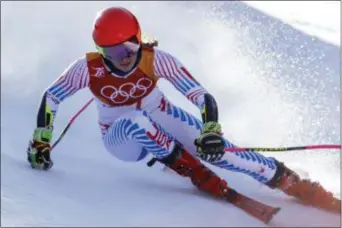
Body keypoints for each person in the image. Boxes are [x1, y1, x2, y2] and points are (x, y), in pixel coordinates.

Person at [27, 6, 339, 212]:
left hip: (160, 114)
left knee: (221, 151)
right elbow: (52, 96)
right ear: (100, 51)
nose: (122, 58)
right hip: (120, 137)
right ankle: (193, 171)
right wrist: (42, 139)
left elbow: (202, 96)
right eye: (112, 52)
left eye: (129, 47)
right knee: (134, 119)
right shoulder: (87, 69)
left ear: (139, 38)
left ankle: (290, 182)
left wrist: (211, 131)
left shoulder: (156, 59)